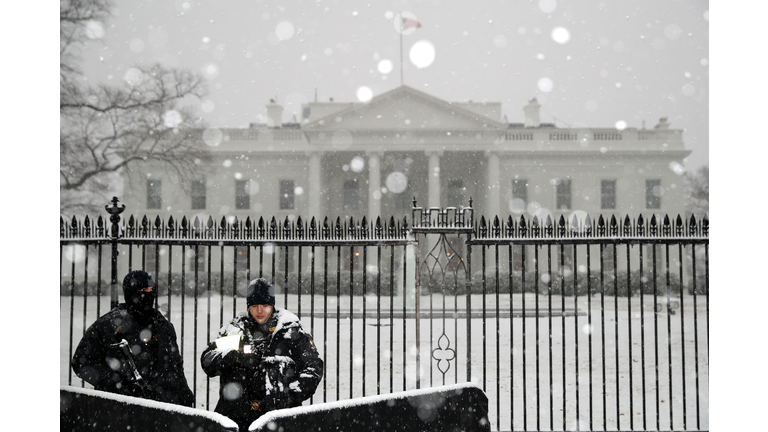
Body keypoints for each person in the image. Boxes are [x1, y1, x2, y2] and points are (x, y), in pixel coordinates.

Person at [201, 278, 323, 431]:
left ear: (272, 304)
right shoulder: (236, 331)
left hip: (279, 419)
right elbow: (208, 360)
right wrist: (234, 357)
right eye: (254, 306)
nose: (259, 311)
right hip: (237, 418)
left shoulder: (290, 332)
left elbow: (313, 367)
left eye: (265, 305)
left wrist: (291, 395)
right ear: (248, 306)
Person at [71, 270, 195, 407]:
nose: (149, 294)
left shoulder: (163, 326)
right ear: (131, 292)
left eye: (151, 290)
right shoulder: (109, 325)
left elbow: (175, 366)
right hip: (121, 408)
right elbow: (81, 362)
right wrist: (117, 384)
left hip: (163, 407)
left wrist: (185, 394)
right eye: (144, 290)